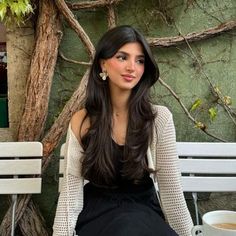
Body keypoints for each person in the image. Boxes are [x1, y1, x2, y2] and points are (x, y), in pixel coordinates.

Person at [53, 25, 193, 236]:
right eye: (122, 57)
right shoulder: (82, 121)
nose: (132, 67)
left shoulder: (159, 119)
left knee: (131, 226)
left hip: (144, 211)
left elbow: (171, 191)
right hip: (98, 213)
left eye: (140, 60)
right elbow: (71, 192)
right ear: (103, 64)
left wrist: (187, 234)